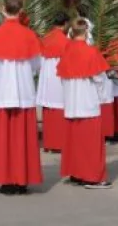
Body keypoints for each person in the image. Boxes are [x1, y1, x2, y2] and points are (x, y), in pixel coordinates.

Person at [0, 0, 43, 196]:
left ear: (4, 10)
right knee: (22, 138)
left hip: (1, 94)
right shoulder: (29, 36)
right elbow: (36, 66)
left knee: (3, 139)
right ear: (21, 10)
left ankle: (6, 181)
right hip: (23, 93)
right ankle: (21, 180)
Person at [58, 18, 112, 189]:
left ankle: (77, 173)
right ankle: (93, 177)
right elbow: (99, 79)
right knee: (91, 144)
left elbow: (62, 77)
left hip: (72, 103)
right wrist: (103, 98)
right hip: (88, 102)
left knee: (75, 142)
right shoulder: (90, 52)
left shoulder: (66, 52)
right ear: (87, 32)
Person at [37, 12, 69, 153]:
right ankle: (58, 144)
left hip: (46, 79)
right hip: (58, 79)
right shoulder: (66, 41)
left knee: (49, 111)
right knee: (59, 109)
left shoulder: (46, 38)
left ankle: (48, 143)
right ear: (65, 24)